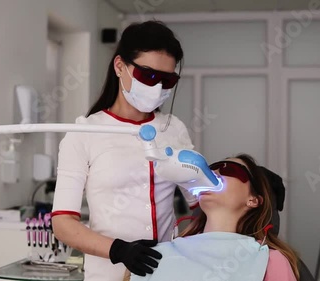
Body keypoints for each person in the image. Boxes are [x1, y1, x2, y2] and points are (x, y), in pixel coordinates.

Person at [51, 21, 197, 281]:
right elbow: (62, 224)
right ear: (120, 66)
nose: (157, 87)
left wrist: (249, 178)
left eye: (167, 80)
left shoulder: (173, 129)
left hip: (166, 274)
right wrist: (119, 250)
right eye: (148, 75)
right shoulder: (84, 133)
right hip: (107, 275)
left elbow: (202, 199)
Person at [125, 154, 300, 281]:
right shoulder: (153, 257)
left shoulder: (270, 261)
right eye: (209, 169)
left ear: (253, 200)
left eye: (228, 169)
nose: (212, 174)